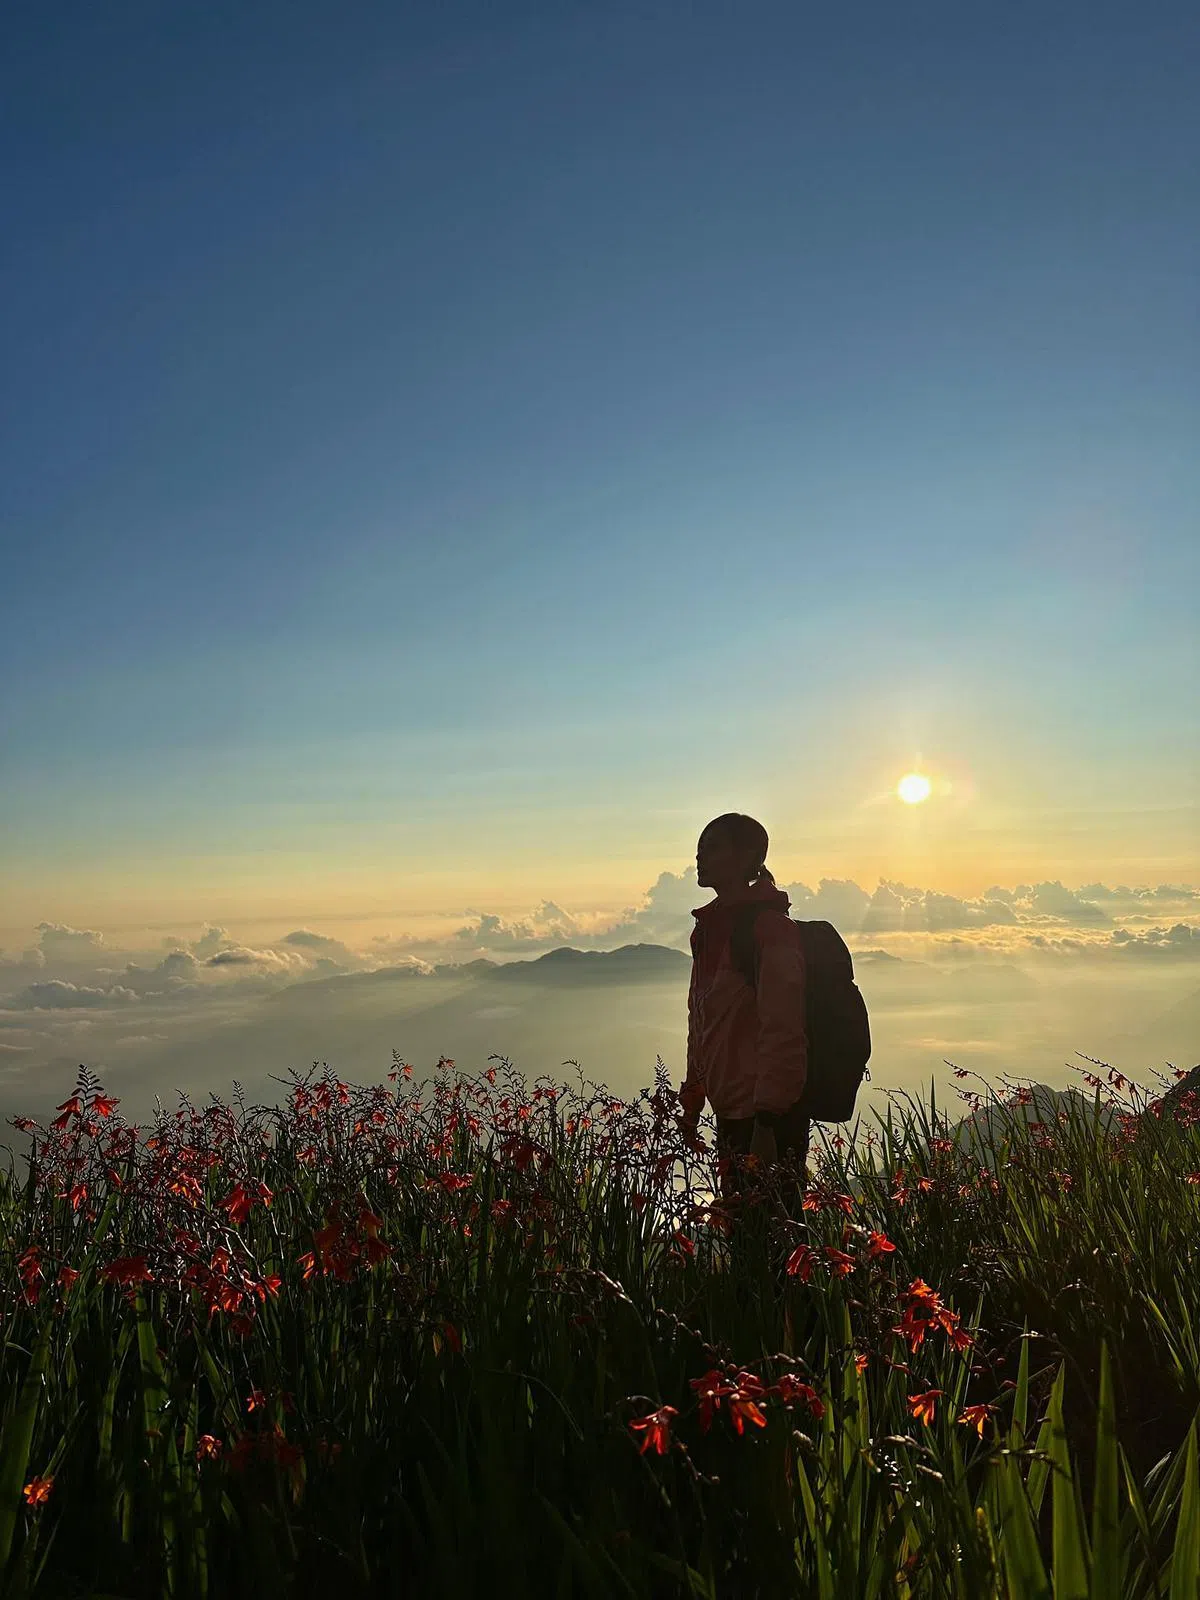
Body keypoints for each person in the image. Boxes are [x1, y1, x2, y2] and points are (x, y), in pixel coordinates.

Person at [678, 813, 810, 1212]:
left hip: (767, 1118)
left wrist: (768, 1121)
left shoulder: (769, 929)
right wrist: (692, 1100)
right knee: (744, 1238)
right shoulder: (709, 930)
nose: (699, 855)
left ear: (747, 856)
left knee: (772, 1243)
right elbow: (700, 1020)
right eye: (700, 846)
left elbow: (784, 1027)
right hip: (732, 1112)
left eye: (712, 846)